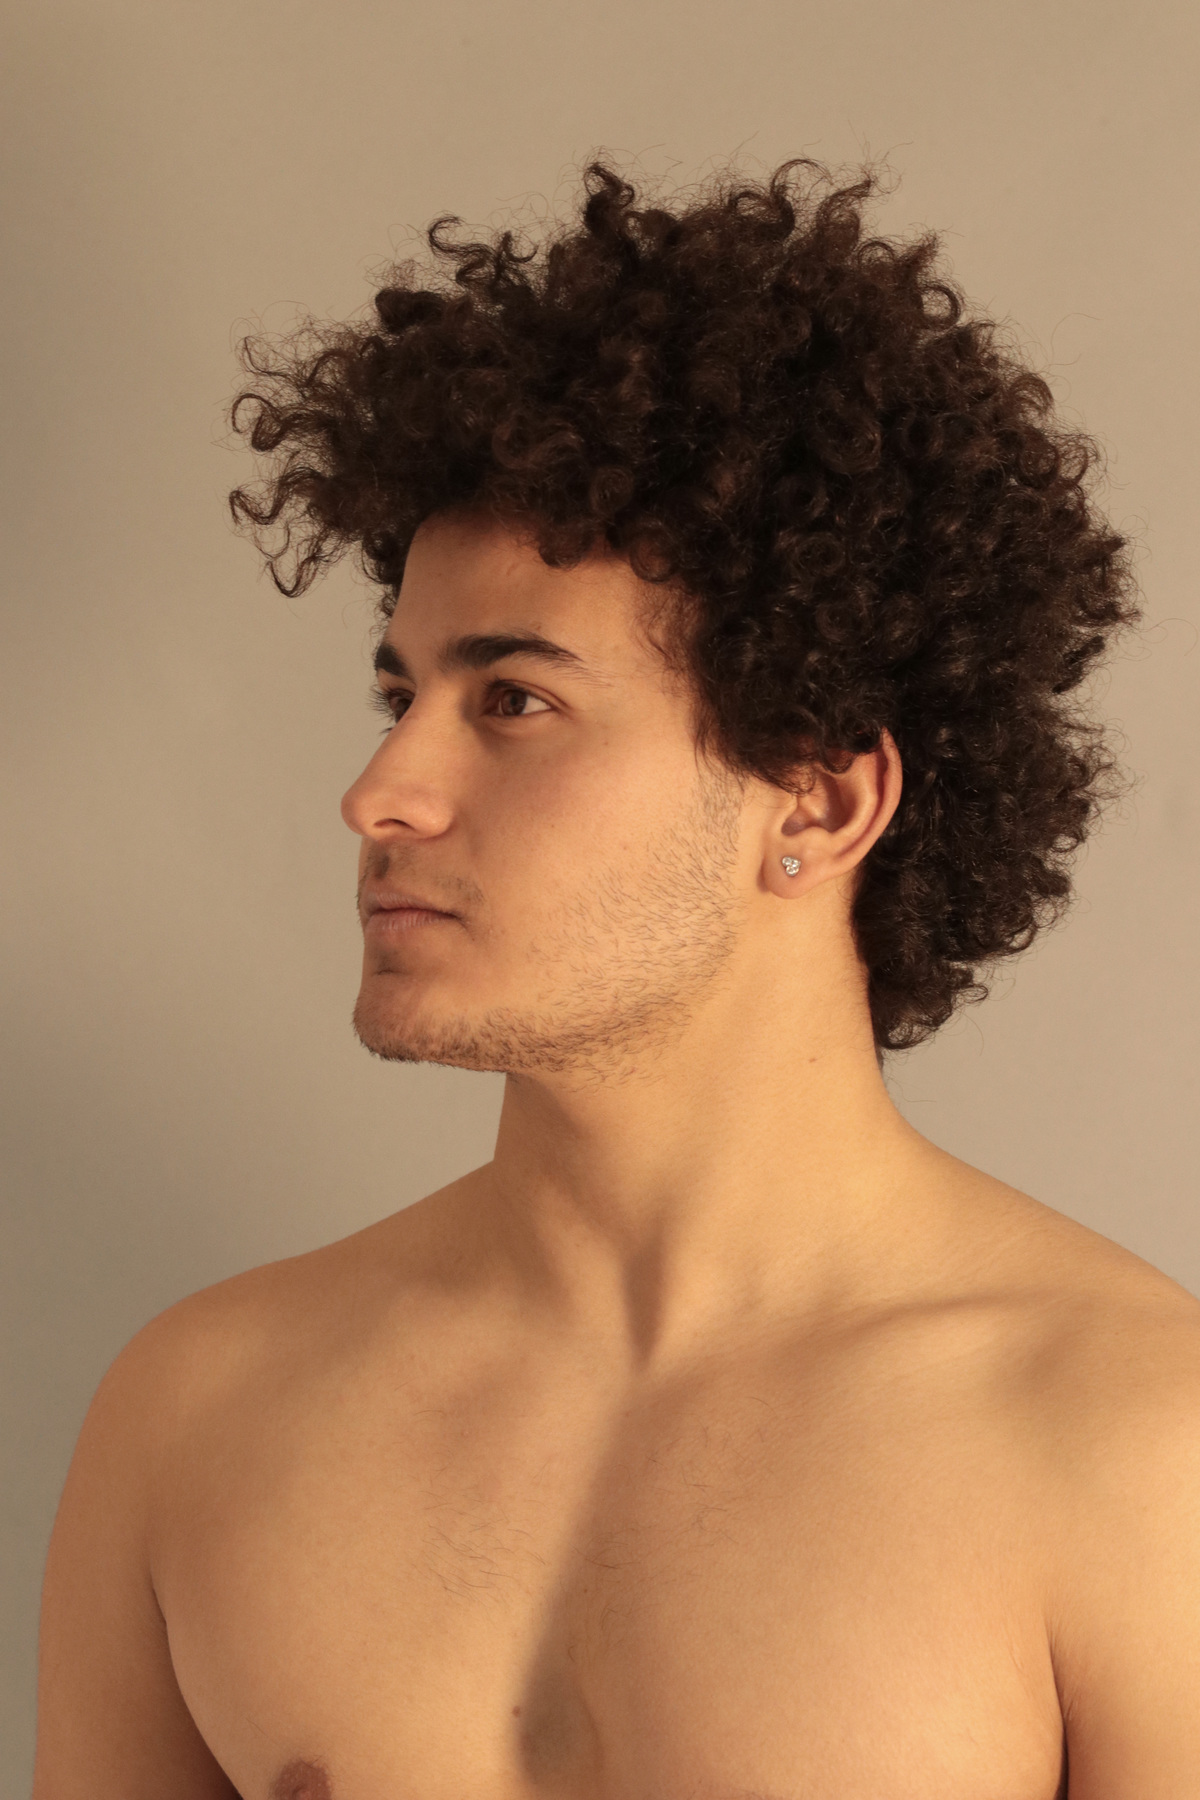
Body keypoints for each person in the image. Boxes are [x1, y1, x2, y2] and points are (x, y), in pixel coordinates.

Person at [33, 158, 1200, 1800]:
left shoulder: (1136, 1447)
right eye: (399, 696)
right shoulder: (198, 1414)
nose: (380, 794)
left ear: (819, 801)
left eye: (512, 702)